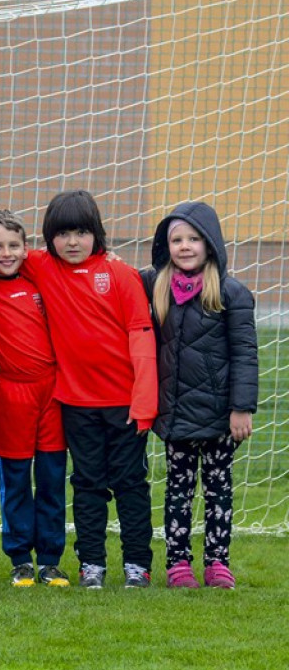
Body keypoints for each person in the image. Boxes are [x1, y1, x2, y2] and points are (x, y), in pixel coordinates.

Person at [21, 189, 157, 589]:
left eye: (81, 232)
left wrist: (144, 403)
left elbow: (142, 337)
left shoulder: (120, 274)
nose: (72, 242)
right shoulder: (43, 266)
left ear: (96, 233)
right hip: (76, 404)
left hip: (125, 405)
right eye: (62, 234)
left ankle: (137, 564)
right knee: (87, 484)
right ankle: (92, 563)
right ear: (49, 238)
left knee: (131, 485)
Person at [141, 202, 257, 589]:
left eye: (194, 238)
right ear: (166, 245)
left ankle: (217, 562)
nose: (185, 246)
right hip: (176, 414)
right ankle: (178, 564)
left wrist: (241, 408)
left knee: (218, 489)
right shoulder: (155, 286)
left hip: (220, 416)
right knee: (178, 490)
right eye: (177, 240)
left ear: (210, 243)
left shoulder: (230, 292)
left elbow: (245, 353)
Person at [0, 210, 69, 587]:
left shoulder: (38, 278)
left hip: (53, 392)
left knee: (51, 479)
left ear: (25, 248)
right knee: (15, 480)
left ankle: (49, 560)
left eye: (14, 245)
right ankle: (20, 560)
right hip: (13, 393)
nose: (6, 253)